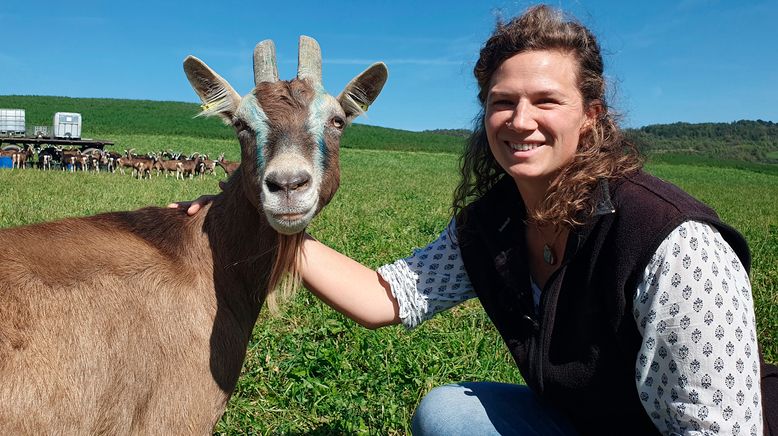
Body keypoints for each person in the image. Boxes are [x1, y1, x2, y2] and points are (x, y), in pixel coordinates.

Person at [176, 5, 775, 435]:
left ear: (591, 117)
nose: (520, 120)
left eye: (546, 101)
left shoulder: (675, 246)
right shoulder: (497, 226)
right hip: (586, 418)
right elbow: (389, 296)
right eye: (502, 102)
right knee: (448, 414)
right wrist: (260, 222)